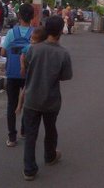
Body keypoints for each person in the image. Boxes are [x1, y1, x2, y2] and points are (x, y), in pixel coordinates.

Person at [21, 16, 72, 181]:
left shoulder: (33, 49)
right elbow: (66, 76)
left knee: (30, 134)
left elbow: (27, 65)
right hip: (51, 100)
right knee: (50, 129)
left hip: (31, 99)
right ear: (60, 32)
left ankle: (29, 169)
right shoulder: (63, 53)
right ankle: (50, 156)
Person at [1, 3, 34, 146]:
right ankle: (24, 130)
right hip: (29, 74)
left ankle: (12, 137)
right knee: (27, 103)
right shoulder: (36, 34)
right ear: (32, 17)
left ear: (19, 16)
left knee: (11, 105)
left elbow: (3, 52)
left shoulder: (11, 33)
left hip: (13, 73)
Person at [15, 26, 48, 115]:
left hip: (36, 74)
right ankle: (19, 106)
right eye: (31, 39)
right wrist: (22, 67)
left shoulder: (41, 49)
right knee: (25, 89)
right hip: (30, 73)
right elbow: (22, 55)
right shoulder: (29, 47)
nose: (31, 41)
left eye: (34, 40)